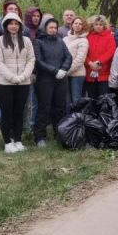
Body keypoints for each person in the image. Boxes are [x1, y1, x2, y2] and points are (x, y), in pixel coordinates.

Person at [0, 12, 35, 153]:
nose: (13, 26)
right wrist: (11, 77)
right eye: (10, 23)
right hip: (5, 83)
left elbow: (31, 59)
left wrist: (23, 76)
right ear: (5, 25)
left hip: (23, 82)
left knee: (19, 112)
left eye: (16, 23)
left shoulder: (26, 41)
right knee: (6, 112)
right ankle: (7, 142)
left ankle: (18, 140)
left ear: (20, 26)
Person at [33, 18, 72, 147]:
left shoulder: (61, 41)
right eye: (51, 27)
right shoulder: (38, 42)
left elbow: (68, 57)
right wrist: (54, 71)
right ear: (45, 28)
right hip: (45, 80)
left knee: (59, 108)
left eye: (55, 27)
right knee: (44, 108)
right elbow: (39, 61)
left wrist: (64, 69)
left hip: (61, 80)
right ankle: (40, 137)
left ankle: (59, 133)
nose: (53, 30)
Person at [85, 14, 117, 98]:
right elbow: (84, 53)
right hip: (90, 72)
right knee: (91, 98)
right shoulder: (88, 36)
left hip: (103, 72)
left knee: (103, 98)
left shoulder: (109, 36)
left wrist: (99, 62)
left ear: (104, 25)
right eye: (96, 24)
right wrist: (90, 63)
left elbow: (111, 51)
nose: (98, 26)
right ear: (92, 25)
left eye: (100, 24)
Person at [63, 16, 89, 107]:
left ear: (83, 26)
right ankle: (67, 120)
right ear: (72, 25)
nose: (77, 25)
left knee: (76, 100)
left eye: (80, 24)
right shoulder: (65, 39)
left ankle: (77, 120)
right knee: (66, 99)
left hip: (77, 74)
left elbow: (80, 60)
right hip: (65, 73)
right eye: (76, 23)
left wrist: (66, 71)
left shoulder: (83, 40)